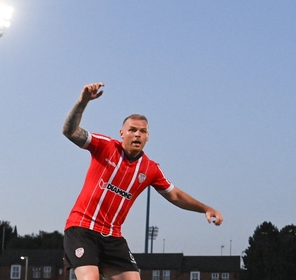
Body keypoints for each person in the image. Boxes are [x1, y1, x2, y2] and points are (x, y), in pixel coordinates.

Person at [62, 83, 223, 280]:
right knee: (90, 278)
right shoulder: (105, 146)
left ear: (147, 137)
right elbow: (70, 131)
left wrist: (205, 208)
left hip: (113, 236)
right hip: (82, 228)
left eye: (142, 131)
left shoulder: (150, 169)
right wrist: (82, 102)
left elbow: (175, 195)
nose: (137, 134)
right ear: (122, 133)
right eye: (132, 130)